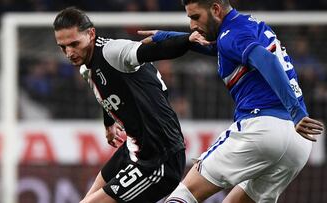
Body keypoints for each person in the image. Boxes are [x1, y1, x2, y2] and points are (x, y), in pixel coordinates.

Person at [137, 0, 324, 202]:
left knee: (186, 193)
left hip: (262, 127)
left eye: (195, 17)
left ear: (216, 9)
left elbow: (266, 60)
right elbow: (213, 46)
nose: (192, 25)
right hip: (298, 144)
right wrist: (166, 36)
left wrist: (296, 111)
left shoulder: (232, 34)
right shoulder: (246, 25)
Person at [52, 7, 205, 203]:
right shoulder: (86, 67)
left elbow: (153, 50)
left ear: (91, 34)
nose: (69, 53)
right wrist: (109, 123)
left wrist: (187, 40)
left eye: (74, 44)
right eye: (63, 47)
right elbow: (106, 92)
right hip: (134, 147)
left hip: (160, 158)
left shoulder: (113, 51)